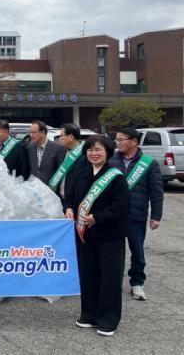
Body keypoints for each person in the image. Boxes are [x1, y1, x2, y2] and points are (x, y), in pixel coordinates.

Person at [67, 135, 131, 336]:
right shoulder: (81, 173)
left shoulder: (116, 176)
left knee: (109, 278)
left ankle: (108, 319)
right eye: (90, 150)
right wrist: (68, 208)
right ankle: (89, 314)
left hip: (109, 236)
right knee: (88, 276)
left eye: (98, 150)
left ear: (107, 152)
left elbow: (121, 206)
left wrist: (97, 217)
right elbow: (70, 196)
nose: (93, 153)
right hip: (85, 236)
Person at [109, 127, 163, 301]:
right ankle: (112, 282)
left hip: (136, 215)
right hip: (113, 215)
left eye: (121, 140)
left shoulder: (149, 163)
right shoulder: (111, 160)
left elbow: (156, 192)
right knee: (112, 251)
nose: (117, 143)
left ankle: (137, 282)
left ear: (133, 141)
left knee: (138, 252)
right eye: (116, 140)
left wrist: (156, 216)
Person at [56, 123, 88, 203]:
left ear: (71, 137)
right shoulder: (61, 151)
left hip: (75, 200)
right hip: (61, 199)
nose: (59, 138)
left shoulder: (85, 155)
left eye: (61, 135)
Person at [27, 120, 65, 186]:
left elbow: (60, 171)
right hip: (33, 188)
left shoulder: (57, 148)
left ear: (43, 132)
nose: (31, 135)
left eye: (34, 132)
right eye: (30, 132)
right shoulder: (30, 148)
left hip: (50, 188)